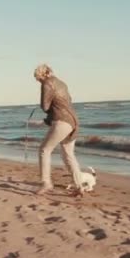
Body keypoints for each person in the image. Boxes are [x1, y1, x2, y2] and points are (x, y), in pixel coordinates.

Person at [33, 64, 83, 196]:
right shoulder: (62, 83)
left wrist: (46, 109)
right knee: (68, 154)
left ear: (42, 75)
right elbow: (68, 100)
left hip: (61, 121)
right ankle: (79, 186)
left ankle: (46, 183)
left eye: (37, 78)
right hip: (73, 121)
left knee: (44, 150)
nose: (38, 81)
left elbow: (44, 106)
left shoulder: (47, 83)